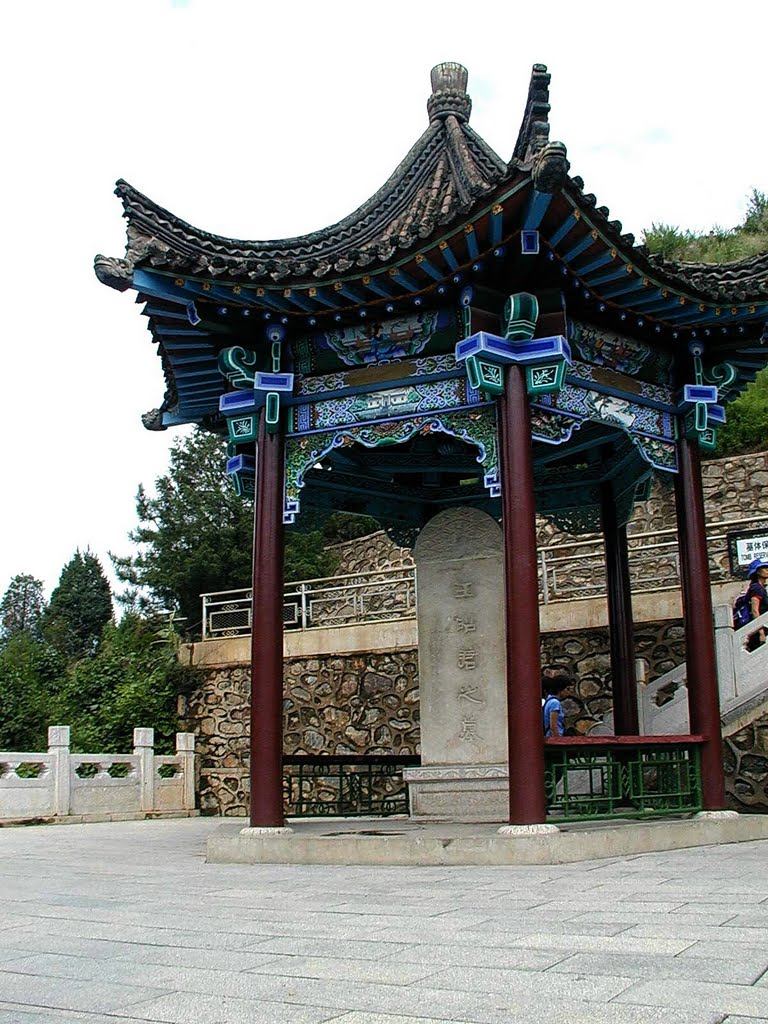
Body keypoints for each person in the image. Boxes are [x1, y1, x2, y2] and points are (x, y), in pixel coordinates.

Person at [746, 557, 768, 650]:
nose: (767, 569)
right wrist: (761, 633)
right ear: (757, 572)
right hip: (757, 632)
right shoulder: (756, 588)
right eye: (764, 567)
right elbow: (755, 611)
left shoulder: (762, 588)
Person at [542, 671, 572, 737]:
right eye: (567, 689)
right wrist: (557, 739)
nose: (569, 692)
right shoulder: (555, 703)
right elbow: (553, 725)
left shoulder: (549, 701)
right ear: (560, 688)